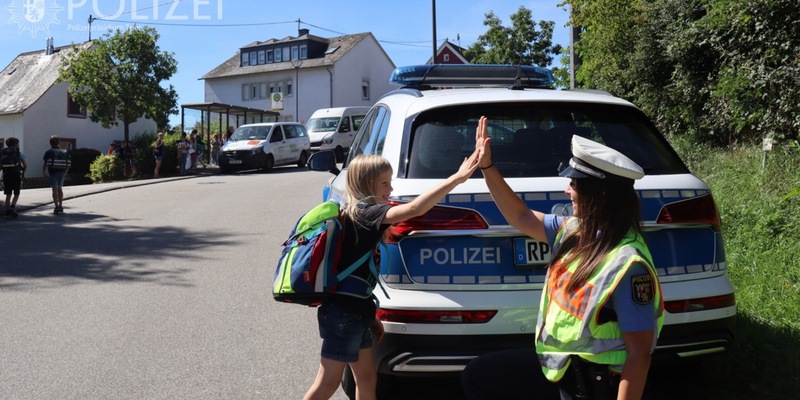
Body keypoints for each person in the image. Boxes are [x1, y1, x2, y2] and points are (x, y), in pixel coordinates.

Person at [461, 116, 664, 400]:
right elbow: (520, 215)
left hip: (597, 386)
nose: (567, 190)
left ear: (600, 195)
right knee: (480, 376)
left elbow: (639, 355)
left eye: (574, 184)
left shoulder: (628, 265)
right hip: (563, 370)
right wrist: (487, 167)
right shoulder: (574, 230)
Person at [303, 151, 481, 400]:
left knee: (366, 378)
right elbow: (416, 208)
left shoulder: (359, 214)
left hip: (356, 311)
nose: (390, 188)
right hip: (344, 314)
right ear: (367, 183)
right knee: (327, 383)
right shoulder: (367, 213)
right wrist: (456, 179)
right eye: (384, 182)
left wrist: (370, 316)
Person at [42, 135, 70, 215]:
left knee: (54, 189)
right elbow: (67, 162)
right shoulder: (62, 152)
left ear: (50, 143)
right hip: (62, 171)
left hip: (52, 171)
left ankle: (56, 206)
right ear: (58, 143)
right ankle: (61, 205)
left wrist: (44, 172)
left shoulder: (48, 152)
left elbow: (45, 164)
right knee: (60, 188)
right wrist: (66, 171)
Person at [2, 137, 27, 218]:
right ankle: (12, 207)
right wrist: (23, 172)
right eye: (18, 143)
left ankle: (7, 211)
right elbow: (25, 165)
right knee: (16, 192)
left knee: (8, 193)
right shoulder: (18, 153)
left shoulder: (3, 152)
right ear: (16, 144)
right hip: (16, 174)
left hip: (6, 174)